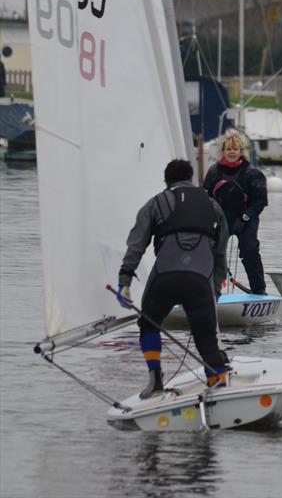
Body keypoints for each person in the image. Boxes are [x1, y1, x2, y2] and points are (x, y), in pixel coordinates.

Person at [116, 159, 230, 399]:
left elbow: (136, 245)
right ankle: (219, 386)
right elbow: (220, 254)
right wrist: (214, 291)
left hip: (164, 279)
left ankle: (155, 380)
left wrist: (124, 281)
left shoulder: (155, 203)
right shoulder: (214, 206)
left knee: (149, 324)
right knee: (207, 338)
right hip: (200, 282)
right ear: (191, 179)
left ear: (166, 181)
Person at [203, 130, 268, 295]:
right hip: (221, 218)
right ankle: (209, 290)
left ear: (240, 152)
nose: (231, 152)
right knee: (209, 250)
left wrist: (245, 217)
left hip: (246, 218)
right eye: (228, 149)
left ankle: (259, 291)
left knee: (249, 249)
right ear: (223, 151)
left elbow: (261, 202)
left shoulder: (253, 173)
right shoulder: (213, 172)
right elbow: (206, 197)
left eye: (235, 149)